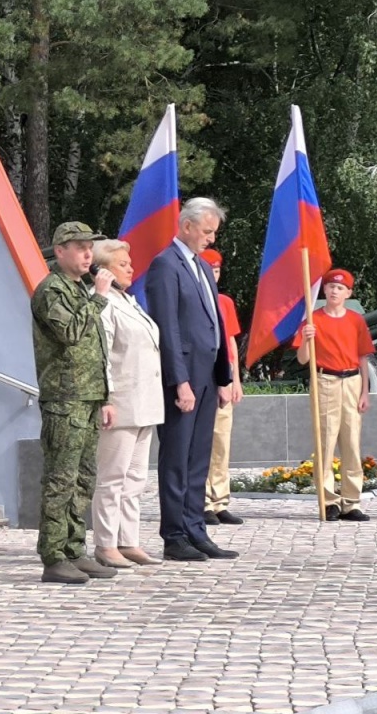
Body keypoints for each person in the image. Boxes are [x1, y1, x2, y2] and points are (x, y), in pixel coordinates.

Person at [145, 197, 235, 562]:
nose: (211, 239)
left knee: (199, 458)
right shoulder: (166, 265)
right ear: (187, 226)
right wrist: (179, 381)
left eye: (214, 232)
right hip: (182, 379)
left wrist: (223, 375)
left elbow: (215, 323)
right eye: (207, 231)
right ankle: (174, 535)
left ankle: (196, 529)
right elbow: (167, 327)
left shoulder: (200, 266)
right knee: (177, 458)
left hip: (207, 376)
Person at [32, 221, 120, 584]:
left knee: (83, 479)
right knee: (61, 479)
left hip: (87, 397)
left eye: (90, 248)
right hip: (64, 399)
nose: (88, 254)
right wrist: (99, 297)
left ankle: (73, 550)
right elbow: (69, 333)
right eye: (81, 247)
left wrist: (105, 396)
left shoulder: (80, 288)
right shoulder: (51, 290)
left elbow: (96, 350)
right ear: (61, 251)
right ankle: (53, 556)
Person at [89, 239, 164, 568]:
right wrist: (105, 398)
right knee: (112, 477)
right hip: (120, 402)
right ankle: (106, 544)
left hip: (145, 402)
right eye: (122, 264)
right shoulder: (103, 302)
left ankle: (128, 540)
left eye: (129, 263)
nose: (131, 268)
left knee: (135, 479)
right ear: (102, 270)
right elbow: (101, 353)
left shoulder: (128, 301)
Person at [293, 268, 373, 522]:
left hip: (351, 381)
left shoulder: (356, 320)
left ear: (348, 293)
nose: (334, 291)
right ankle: (328, 501)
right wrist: (306, 339)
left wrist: (365, 391)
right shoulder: (313, 320)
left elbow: (363, 357)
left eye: (340, 288)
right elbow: (303, 359)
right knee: (325, 442)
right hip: (325, 380)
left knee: (351, 443)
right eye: (330, 287)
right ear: (324, 290)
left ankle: (351, 501)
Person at [200, 249, 244, 526]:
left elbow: (230, 343)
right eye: (209, 269)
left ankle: (220, 500)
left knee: (221, 442)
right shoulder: (193, 298)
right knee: (203, 442)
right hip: (203, 376)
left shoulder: (224, 302)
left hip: (224, 377)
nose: (213, 275)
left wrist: (236, 379)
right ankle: (203, 500)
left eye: (216, 271)